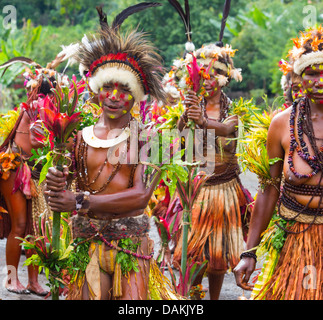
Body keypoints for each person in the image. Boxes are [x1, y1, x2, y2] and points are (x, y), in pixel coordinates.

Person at [43, 19, 176, 300]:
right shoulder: (78, 136)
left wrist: (78, 201)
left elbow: (140, 196)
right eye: (108, 87)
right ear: (96, 89)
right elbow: (61, 188)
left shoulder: (149, 138)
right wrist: (54, 184)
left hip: (130, 245)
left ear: (137, 96)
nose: (114, 97)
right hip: (88, 243)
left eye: (125, 90)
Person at [233, 26, 323, 300]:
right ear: (298, 76)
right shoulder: (282, 124)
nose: (319, 81)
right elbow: (269, 188)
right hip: (296, 237)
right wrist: (249, 252)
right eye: (311, 73)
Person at [171, 40, 253, 300]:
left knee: (217, 256)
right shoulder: (192, 105)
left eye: (214, 73)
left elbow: (228, 129)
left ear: (226, 77)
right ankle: (193, 299)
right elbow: (179, 140)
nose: (207, 79)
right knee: (193, 252)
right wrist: (186, 117)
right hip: (196, 190)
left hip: (225, 189)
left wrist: (203, 121)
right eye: (202, 73)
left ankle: (214, 299)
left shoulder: (235, 109)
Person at [0, 57, 66, 296]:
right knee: (18, 226)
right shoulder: (38, 105)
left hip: (34, 171)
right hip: (15, 167)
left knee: (34, 228)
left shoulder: (46, 104)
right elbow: (40, 140)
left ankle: (33, 282)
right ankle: (10, 280)